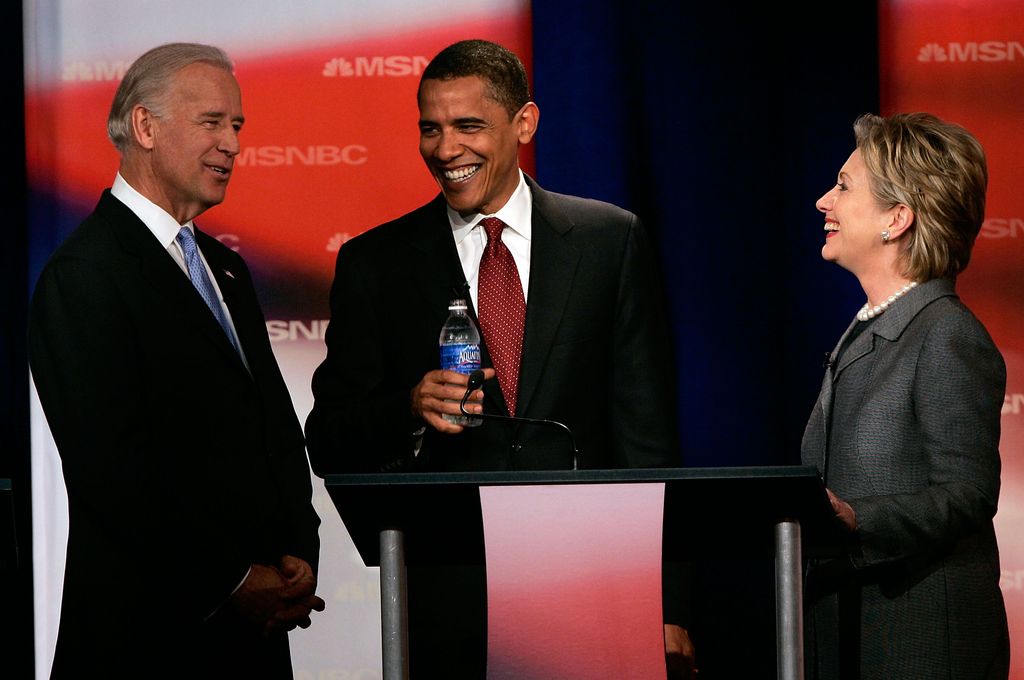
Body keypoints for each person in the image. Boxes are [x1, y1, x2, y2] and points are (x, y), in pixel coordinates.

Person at [305, 39, 693, 678]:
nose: (445, 149)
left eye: (468, 126)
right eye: (430, 128)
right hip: (446, 599)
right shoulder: (376, 264)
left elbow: (647, 440)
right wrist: (408, 406)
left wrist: (666, 605)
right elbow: (329, 438)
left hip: (590, 588)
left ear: (524, 123)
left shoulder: (607, 241)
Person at [29, 43, 323, 678]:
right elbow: (114, 476)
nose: (233, 145)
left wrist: (297, 550)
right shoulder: (84, 275)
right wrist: (236, 580)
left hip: (255, 639)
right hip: (149, 640)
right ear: (144, 126)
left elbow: (272, 427)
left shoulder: (227, 270)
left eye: (237, 126)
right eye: (212, 122)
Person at [803, 112, 1009, 679]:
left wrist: (855, 517)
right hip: (856, 635)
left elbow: (968, 494)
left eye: (844, 186)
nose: (825, 201)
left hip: (921, 648)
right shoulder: (870, 327)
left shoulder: (946, 333)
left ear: (898, 218)